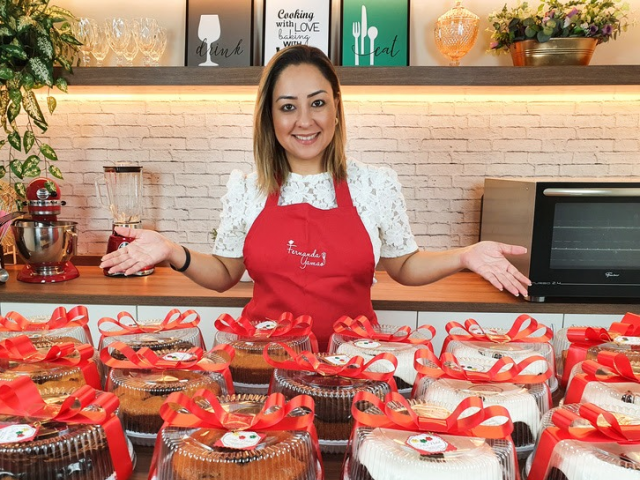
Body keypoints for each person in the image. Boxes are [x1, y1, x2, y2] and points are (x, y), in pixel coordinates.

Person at [100, 45, 531, 349]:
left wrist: (464, 256)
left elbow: (403, 264)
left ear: (338, 107)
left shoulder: (374, 184)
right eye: (287, 106)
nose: (304, 121)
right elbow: (226, 272)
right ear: (270, 116)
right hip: (263, 363)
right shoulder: (248, 188)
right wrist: (174, 251)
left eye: (317, 103)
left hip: (352, 364)